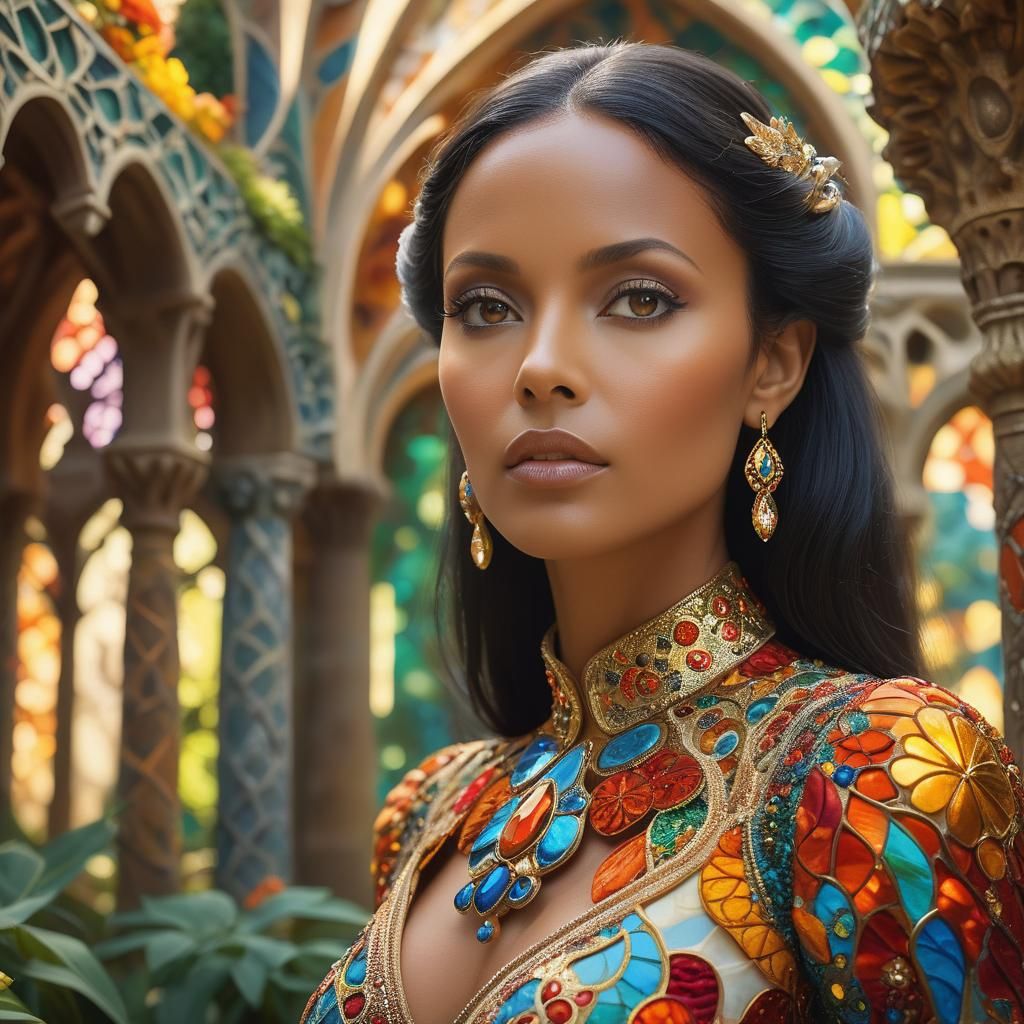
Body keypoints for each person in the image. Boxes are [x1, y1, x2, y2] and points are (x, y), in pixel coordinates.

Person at [301, 40, 1024, 1024]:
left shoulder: (873, 774)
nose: (540, 365)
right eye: (486, 306)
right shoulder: (429, 810)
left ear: (772, 362)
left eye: (638, 298)